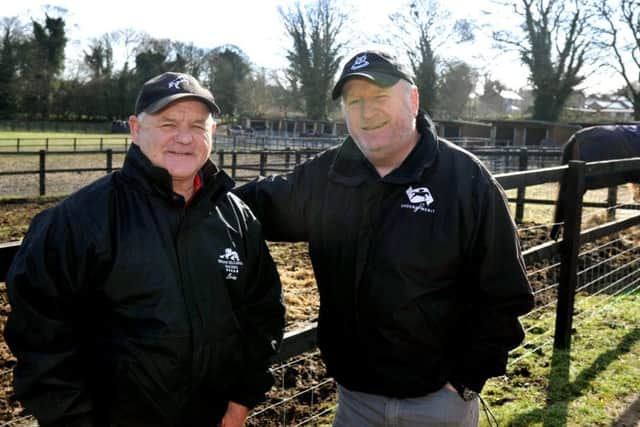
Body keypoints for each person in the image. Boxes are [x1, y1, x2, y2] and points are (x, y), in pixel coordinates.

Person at [234, 49, 535, 426]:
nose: (366, 111)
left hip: (438, 403)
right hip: (356, 401)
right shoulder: (329, 176)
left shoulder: (464, 182)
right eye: (354, 101)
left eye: (379, 97)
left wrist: (466, 380)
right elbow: (253, 205)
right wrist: (193, 191)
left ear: (413, 100)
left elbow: (505, 293)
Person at [4, 72, 285, 427]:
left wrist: (241, 400)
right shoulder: (80, 220)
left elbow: (263, 313)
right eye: (169, 123)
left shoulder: (237, 218)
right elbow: (41, 340)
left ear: (213, 133)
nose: (185, 137)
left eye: (198, 125)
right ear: (135, 129)